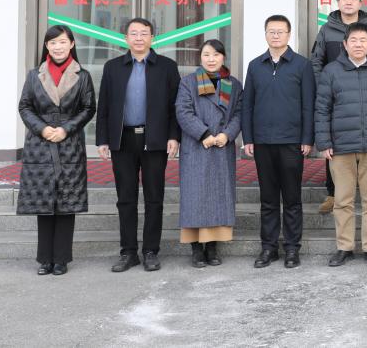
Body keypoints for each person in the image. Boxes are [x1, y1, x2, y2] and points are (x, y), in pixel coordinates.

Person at [96, 18, 181, 273]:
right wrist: (103, 139)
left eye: (144, 33)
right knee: (126, 198)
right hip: (122, 140)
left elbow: (175, 106)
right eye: (134, 33)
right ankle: (129, 252)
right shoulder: (113, 67)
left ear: (153, 38)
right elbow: (104, 106)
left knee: (154, 198)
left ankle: (151, 251)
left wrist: (173, 136)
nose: (139, 38)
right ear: (126, 38)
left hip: (154, 140)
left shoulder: (166, 67)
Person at [17, 25, 96, 276]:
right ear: (47, 46)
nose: (58, 47)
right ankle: (44, 259)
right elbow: (25, 106)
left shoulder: (82, 76)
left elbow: (88, 108)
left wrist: (66, 129)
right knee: (43, 201)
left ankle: (61, 259)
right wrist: (42, 129)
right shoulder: (34, 75)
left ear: (71, 44)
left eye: (62, 42)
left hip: (69, 144)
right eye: (53, 43)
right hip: (40, 145)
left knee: (66, 202)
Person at [310, 0, 367, 215]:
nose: (348, 2)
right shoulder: (327, 30)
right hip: (337, 95)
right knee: (335, 148)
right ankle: (333, 194)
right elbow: (316, 61)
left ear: (360, 3)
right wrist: (324, 86)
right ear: (338, 2)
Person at [242, 15, 315, 270]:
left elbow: (308, 105)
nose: (275, 35)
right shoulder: (255, 66)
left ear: (289, 35)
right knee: (268, 198)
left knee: (292, 197)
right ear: (265, 35)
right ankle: (269, 248)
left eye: (280, 31)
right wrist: (248, 138)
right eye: (271, 31)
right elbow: (247, 105)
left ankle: (292, 248)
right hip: (263, 141)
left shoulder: (302, 65)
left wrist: (307, 138)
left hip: (291, 141)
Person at [316, 23, 367, 267]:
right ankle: (344, 246)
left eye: (363, 40)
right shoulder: (331, 70)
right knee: (342, 200)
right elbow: (322, 108)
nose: (358, 44)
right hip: (340, 146)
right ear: (345, 44)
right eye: (353, 40)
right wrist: (324, 142)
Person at [174, 39, 243, 268]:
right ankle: (196, 249)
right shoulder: (188, 82)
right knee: (195, 197)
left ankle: (212, 248)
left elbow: (239, 113)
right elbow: (183, 112)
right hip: (197, 146)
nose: (211, 59)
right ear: (200, 57)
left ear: (223, 57)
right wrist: (203, 134)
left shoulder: (233, 84)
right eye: (206, 55)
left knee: (218, 197)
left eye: (216, 54)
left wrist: (227, 134)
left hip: (221, 147)